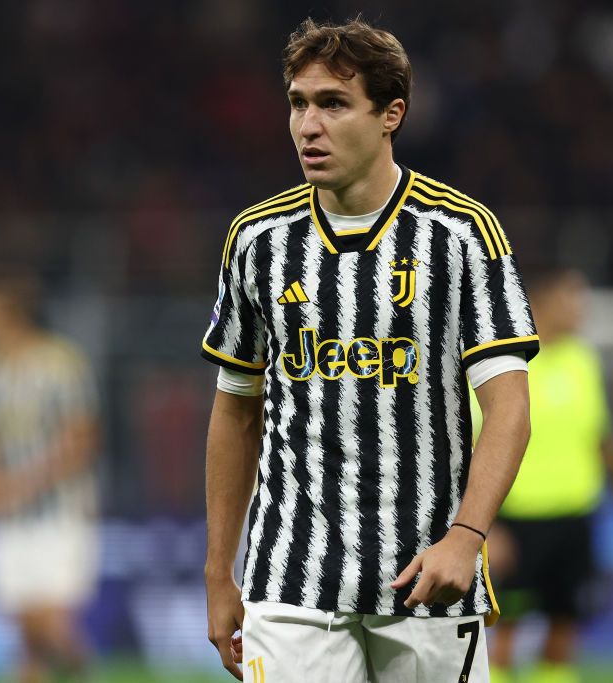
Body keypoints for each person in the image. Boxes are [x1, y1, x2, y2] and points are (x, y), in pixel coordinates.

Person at [201, 17, 540, 683]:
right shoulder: (257, 240)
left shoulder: (461, 234)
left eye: (333, 103)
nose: (308, 125)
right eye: (298, 102)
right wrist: (219, 569)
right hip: (291, 579)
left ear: (391, 115)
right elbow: (235, 412)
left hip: (427, 579)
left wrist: (466, 537)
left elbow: (508, 407)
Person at [476, 268, 613, 683]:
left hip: (575, 518)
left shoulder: (582, 360)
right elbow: (472, 447)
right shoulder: (504, 362)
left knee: (565, 629)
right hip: (516, 520)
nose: (581, 308)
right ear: (540, 300)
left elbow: (596, 434)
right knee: (504, 634)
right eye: (571, 297)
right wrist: (484, 526)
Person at [0, 266, 100, 683]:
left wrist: (20, 484)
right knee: (25, 638)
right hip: (6, 520)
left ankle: (81, 671)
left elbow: (84, 441)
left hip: (60, 514)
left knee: (49, 626)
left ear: (7, 311)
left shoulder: (59, 364)